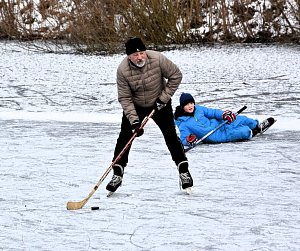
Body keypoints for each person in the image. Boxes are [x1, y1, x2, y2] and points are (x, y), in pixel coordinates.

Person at [106, 37, 193, 195]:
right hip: (136, 106)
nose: (139, 57)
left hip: (160, 103)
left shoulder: (158, 58)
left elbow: (176, 76)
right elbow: (125, 98)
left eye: (141, 53)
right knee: (125, 137)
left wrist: (163, 99)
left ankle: (184, 171)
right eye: (135, 55)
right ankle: (117, 174)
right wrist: (134, 122)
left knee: (171, 136)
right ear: (128, 56)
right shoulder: (122, 70)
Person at [174, 92, 275, 146]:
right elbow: (184, 138)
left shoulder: (199, 109)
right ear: (182, 107)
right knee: (243, 131)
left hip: (219, 123)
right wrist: (188, 140)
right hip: (215, 135)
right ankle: (254, 131)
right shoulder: (183, 123)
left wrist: (223, 115)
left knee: (241, 119)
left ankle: (257, 125)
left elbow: (212, 112)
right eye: (187, 104)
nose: (190, 106)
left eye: (191, 103)